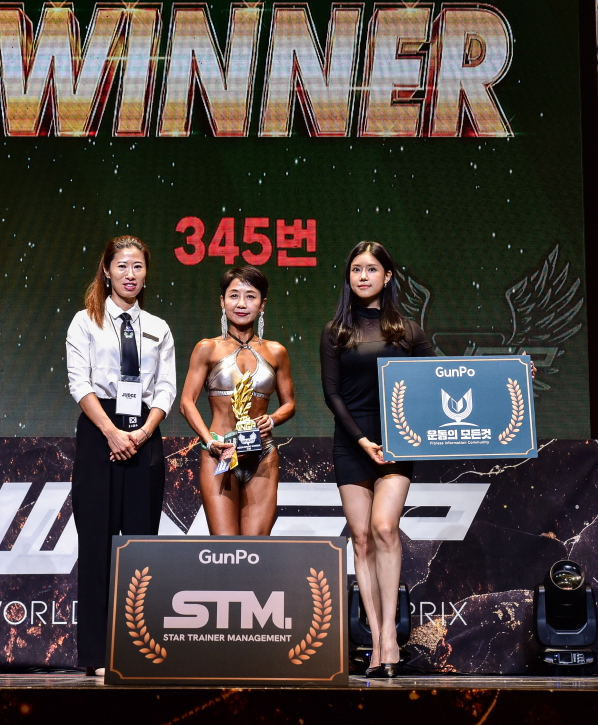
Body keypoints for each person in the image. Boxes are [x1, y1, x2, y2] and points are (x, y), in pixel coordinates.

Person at [320, 241, 434, 678]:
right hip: (353, 440)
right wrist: (362, 440)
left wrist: (510, 372)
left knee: (385, 528)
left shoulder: (409, 330)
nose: (363, 276)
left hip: (398, 441)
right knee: (361, 537)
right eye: (356, 269)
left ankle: (388, 636)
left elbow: (444, 378)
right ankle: (374, 637)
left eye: (371, 269)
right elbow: (332, 394)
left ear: (387, 276)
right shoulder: (335, 331)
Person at [65, 235, 175, 676]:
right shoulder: (84, 322)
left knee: (141, 545)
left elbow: (165, 387)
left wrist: (144, 432)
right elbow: (79, 383)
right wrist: (111, 432)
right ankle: (96, 655)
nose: (130, 275)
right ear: (107, 271)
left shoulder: (158, 327)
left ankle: (137, 651)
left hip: (146, 432)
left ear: (146, 274)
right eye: (122, 266)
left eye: (138, 267)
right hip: (100, 431)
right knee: (97, 543)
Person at [178, 265, 296, 536]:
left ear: (262, 304)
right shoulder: (207, 348)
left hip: (262, 454)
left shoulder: (276, 351)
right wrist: (209, 441)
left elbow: (289, 403)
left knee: (256, 549)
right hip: (219, 453)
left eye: (250, 296)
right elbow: (186, 402)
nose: (241, 303)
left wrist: (272, 419)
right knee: (225, 548)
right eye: (234, 295)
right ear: (222, 302)